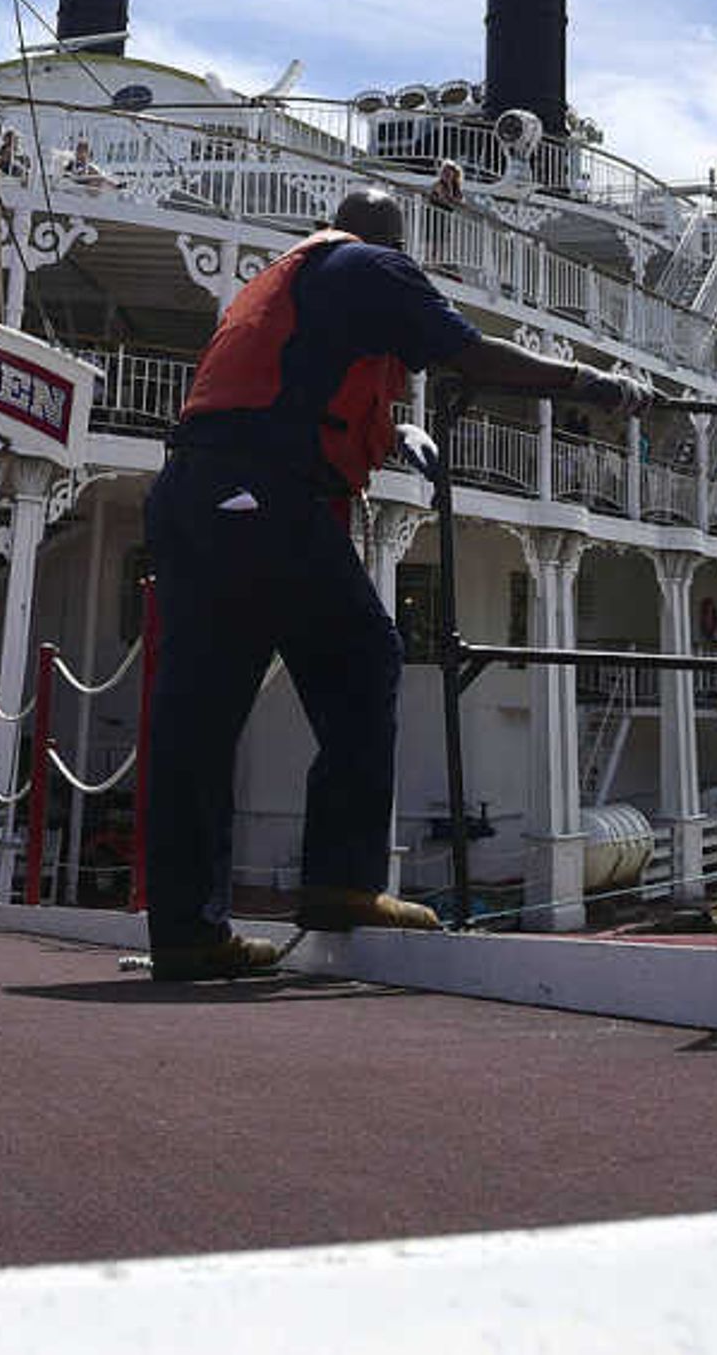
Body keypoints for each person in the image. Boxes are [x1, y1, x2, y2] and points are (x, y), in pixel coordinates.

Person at [140, 181, 650, 982]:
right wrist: (590, 381)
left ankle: (187, 930)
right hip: (265, 500)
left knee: (199, 721)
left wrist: (392, 428)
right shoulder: (371, 264)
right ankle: (342, 881)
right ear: (392, 238)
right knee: (366, 657)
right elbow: (470, 353)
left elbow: (292, 397)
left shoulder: (291, 275)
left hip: (193, 494)